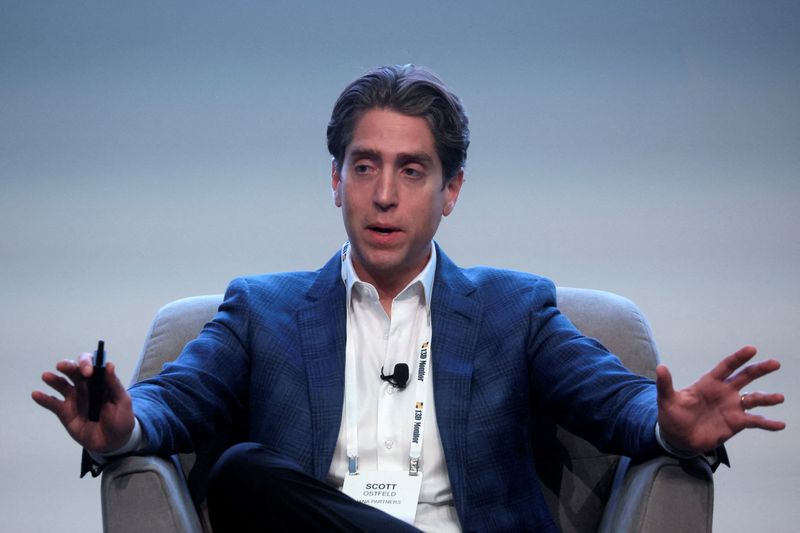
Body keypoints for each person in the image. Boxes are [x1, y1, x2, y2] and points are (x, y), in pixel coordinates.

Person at [33, 64, 785, 532]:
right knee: (242, 474)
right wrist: (124, 427)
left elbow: (611, 400)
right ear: (335, 180)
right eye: (364, 167)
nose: (384, 195)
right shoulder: (259, 310)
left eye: (412, 171)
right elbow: (176, 400)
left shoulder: (512, 309)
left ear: (451, 189)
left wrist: (671, 426)